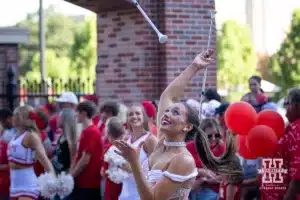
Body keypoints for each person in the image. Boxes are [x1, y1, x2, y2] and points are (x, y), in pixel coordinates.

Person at [114, 50, 242, 200]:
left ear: (187, 127)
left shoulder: (182, 159)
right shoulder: (162, 143)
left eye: (175, 113)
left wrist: (135, 163)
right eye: (167, 111)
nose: (167, 114)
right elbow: (168, 96)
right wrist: (194, 66)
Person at [260, 88, 300, 200]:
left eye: (287, 103)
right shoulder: (292, 128)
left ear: (297, 106)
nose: (285, 108)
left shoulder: (298, 131)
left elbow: (297, 178)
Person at [7, 106, 55, 200]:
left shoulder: (31, 136)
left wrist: (53, 179)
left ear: (24, 118)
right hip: (14, 184)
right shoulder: (15, 135)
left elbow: (44, 158)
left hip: (27, 185)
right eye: (14, 115)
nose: (13, 117)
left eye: (17, 115)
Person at [119, 104, 157, 200]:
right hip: (126, 191)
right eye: (130, 114)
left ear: (143, 117)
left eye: (138, 113)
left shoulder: (150, 140)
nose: (134, 116)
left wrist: (133, 168)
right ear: (127, 119)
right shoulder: (126, 139)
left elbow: (157, 170)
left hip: (141, 194)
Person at [70, 101, 103, 200]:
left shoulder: (90, 131)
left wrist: (71, 176)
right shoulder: (88, 131)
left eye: (77, 112)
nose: (76, 115)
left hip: (88, 182)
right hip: (85, 182)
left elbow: (85, 159)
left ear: (83, 113)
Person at [188, 118, 225, 200]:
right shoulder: (189, 147)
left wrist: (204, 180)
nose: (213, 138)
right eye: (209, 136)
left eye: (217, 135)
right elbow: (181, 169)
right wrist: (200, 172)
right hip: (190, 191)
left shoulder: (221, 147)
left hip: (210, 192)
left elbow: (225, 174)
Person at [102, 117, 126, 200]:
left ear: (108, 132)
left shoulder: (108, 148)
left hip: (111, 188)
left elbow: (104, 172)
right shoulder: (127, 146)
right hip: (125, 187)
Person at [52, 109, 77, 175]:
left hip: (64, 175)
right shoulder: (62, 135)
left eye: (59, 117)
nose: (57, 120)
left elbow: (73, 161)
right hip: (58, 173)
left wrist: (69, 176)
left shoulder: (71, 139)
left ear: (65, 119)